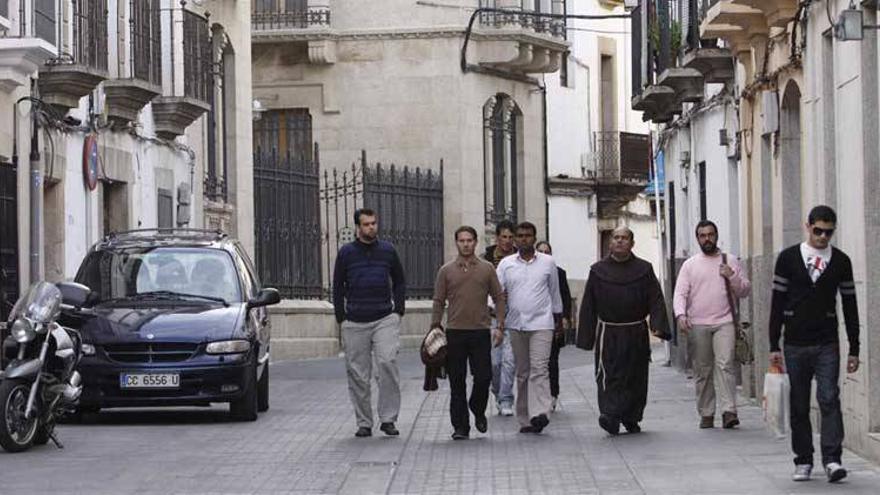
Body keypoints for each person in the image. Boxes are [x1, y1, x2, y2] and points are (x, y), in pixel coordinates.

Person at [769, 205, 859, 483]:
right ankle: (804, 460)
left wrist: (854, 348)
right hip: (794, 342)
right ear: (807, 226)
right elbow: (777, 303)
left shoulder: (841, 261)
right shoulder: (787, 259)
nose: (822, 237)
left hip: (826, 342)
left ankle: (832, 459)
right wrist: (774, 344)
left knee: (829, 397)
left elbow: (850, 304)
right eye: (818, 230)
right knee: (798, 403)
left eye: (828, 232)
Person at [577, 226, 670, 435]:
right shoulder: (598, 270)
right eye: (616, 237)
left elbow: (655, 299)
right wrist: (586, 336)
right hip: (608, 333)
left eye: (624, 238)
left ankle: (631, 416)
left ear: (632, 243)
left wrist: (658, 325)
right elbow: (589, 304)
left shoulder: (644, 269)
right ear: (610, 243)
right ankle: (610, 415)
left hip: (635, 331)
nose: (620, 241)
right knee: (609, 375)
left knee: (635, 376)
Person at [333, 208, 406, 438]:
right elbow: (337, 286)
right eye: (366, 224)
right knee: (358, 374)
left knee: (387, 363)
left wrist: (398, 310)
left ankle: (388, 418)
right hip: (355, 320)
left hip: (384, 317)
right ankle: (364, 422)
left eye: (374, 223)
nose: (371, 228)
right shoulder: (346, 253)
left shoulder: (388, 250)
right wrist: (341, 317)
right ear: (358, 227)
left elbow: (400, 280)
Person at [674, 220, 751, 429]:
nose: (707, 238)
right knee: (703, 370)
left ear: (717, 236)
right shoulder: (690, 265)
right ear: (698, 238)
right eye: (702, 235)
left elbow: (745, 290)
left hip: (725, 322)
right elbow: (680, 293)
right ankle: (707, 412)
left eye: (710, 234)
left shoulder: (730, 260)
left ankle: (729, 411)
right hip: (698, 324)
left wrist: (731, 276)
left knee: (725, 365)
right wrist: (681, 315)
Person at [431, 226, 506, 440]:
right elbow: (438, 301)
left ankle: (477, 407)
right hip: (455, 332)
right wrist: (435, 327)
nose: (466, 244)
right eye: (462, 240)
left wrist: (500, 326)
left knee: (484, 377)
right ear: (456, 242)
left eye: (469, 240)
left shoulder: (487, 268)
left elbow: (499, 297)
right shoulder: (446, 271)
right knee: (457, 381)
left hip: (481, 331)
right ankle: (460, 427)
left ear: (476, 242)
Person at [496, 222, 563, 434]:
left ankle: (540, 413)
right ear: (515, 239)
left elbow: (554, 293)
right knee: (522, 372)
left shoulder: (547, 263)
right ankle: (525, 418)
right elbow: (497, 293)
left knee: (540, 368)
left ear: (534, 238)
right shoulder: (506, 264)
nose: (524, 239)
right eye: (520, 235)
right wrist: (496, 313)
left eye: (528, 235)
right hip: (516, 324)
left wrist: (559, 319)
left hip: (542, 323)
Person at [483, 219, 517, 416]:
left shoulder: (518, 258)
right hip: (492, 316)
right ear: (496, 238)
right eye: (503, 237)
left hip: (513, 316)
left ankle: (506, 399)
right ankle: (497, 391)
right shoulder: (486, 259)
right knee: (495, 362)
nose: (507, 241)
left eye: (510, 237)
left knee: (509, 360)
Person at [535, 241, 573, 412]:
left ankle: (553, 394)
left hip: (553, 322)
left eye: (547, 251)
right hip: (534, 323)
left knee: (552, 361)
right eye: (541, 251)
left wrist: (565, 318)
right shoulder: (530, 272)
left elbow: (565, 295)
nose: (544, 254)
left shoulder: (559, 273)